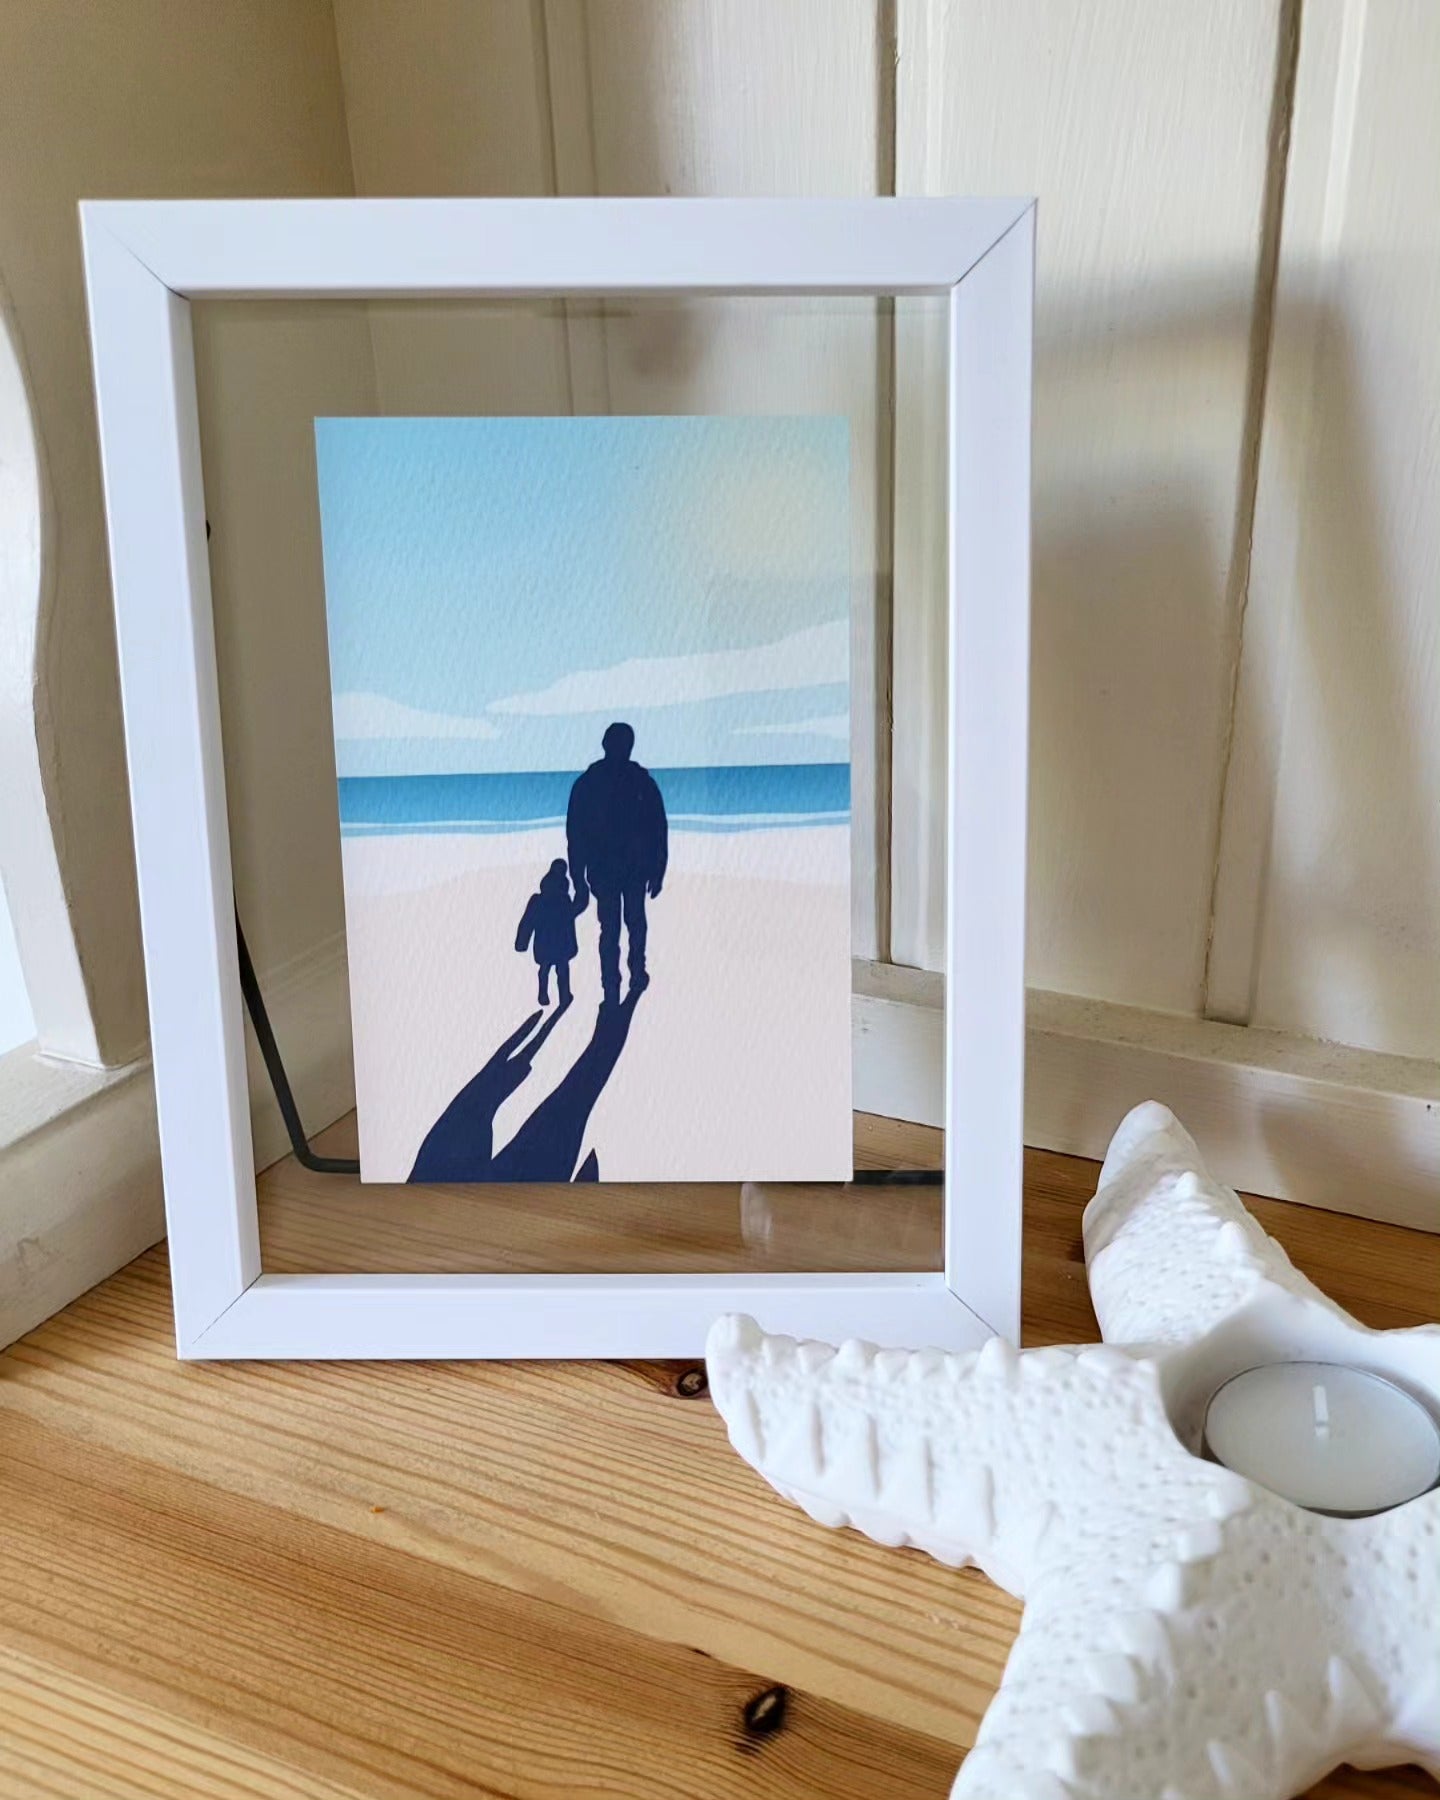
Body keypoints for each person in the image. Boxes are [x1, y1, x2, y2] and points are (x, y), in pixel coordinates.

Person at [566, 722, 668, 1005]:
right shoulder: (636, 782)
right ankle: (624, 977)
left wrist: (579, 879)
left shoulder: (592, 783)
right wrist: (658, 869)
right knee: (624, 925)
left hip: (618, 870)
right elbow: (658, 829)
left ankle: (619, 979)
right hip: (619, 870)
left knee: (618, 926)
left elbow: (657, 828)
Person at [514, 857, 584, 1007]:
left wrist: (522, 942)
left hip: (544, 944)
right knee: (562, 969)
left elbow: (528, 921)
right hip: (561, 945)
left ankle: (549, 993)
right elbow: (572, 915)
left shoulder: (539, 900)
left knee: (546, 968)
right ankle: (563, 995)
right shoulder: (563, 899)